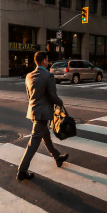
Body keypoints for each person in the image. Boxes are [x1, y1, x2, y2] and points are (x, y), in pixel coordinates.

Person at [17, 51, 69, 181]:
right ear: (44, 61)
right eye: (47, 59)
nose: (48, 61)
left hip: (33, 111)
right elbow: (52, 96)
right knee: (33, 143)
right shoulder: (48, 76)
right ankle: (22, 171)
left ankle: (57, 157)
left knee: (46, 137)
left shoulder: (29, 76)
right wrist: (60, 102)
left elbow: (29, 95)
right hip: (43, 113)